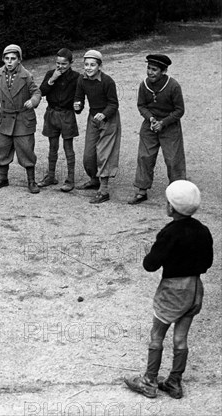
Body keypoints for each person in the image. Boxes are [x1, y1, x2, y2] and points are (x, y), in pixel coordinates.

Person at [124, 180, 213, 399]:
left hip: (172, 289)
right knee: (181, 338)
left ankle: (149, 380)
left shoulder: (170, 233)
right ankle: (174, 382)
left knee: (157, 335)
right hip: (195, 288)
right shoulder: (203, 231)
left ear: (172, 207)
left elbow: (150, 264)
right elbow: (208, 262)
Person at [0, 44, 42, 193]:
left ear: (19, 60)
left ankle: (31, 181)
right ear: (3, 59)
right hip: (6, 117)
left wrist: (33, 101)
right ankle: (3, 178)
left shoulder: (26, 75)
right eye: (6, 58)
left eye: (13, 59)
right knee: (1, 148)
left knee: (26, 149)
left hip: (23, 118)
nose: (9, 62)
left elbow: (36, 92)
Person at [129, 54, 186, 204]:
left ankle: (177, 194)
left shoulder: (173, 86)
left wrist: (164, 122)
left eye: (154, 69)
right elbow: (141, 105)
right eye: (148, 68)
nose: (150, 72)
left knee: (173, 159)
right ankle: (142, 190)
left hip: (170, 126)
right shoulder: (144, 85)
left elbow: (179, 110)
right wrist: (151, 119)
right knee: (145, 157)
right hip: (150, 126)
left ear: (164, 71)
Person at [73, 50, 122, 204]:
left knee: (104, 154)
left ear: (99, 66)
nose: (88, 68)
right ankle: (94, 180)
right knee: (89, 155)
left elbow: (114, 103)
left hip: (109, 120)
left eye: (92, 65)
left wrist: (105, 114)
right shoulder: (82, 80)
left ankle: (104, 190)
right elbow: (78, 99)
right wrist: (77, 106)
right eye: (86, 65)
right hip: (93, 118)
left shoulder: (107, 81)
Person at [38, 48, 81, 192]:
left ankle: (70, 180)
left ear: (71, 63)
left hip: (67, 115)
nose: (60, 67)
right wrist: (52, 79)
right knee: (52, 147)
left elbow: (79, 97)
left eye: (64, 64)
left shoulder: (76, 77)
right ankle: (51, 176)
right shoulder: (51, 74)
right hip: (51, 114)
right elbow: (42, 91)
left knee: (68, 148)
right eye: (58, 63)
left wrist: (78, 106)